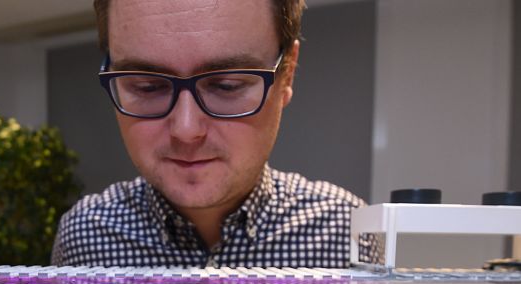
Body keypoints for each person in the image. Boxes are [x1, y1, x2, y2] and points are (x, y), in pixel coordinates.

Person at [51, 0, 377, 268]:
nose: (186, 129)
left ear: (287, 72)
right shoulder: (83, 237)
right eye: (146, 86)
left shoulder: (346, 234)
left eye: (226, 85)